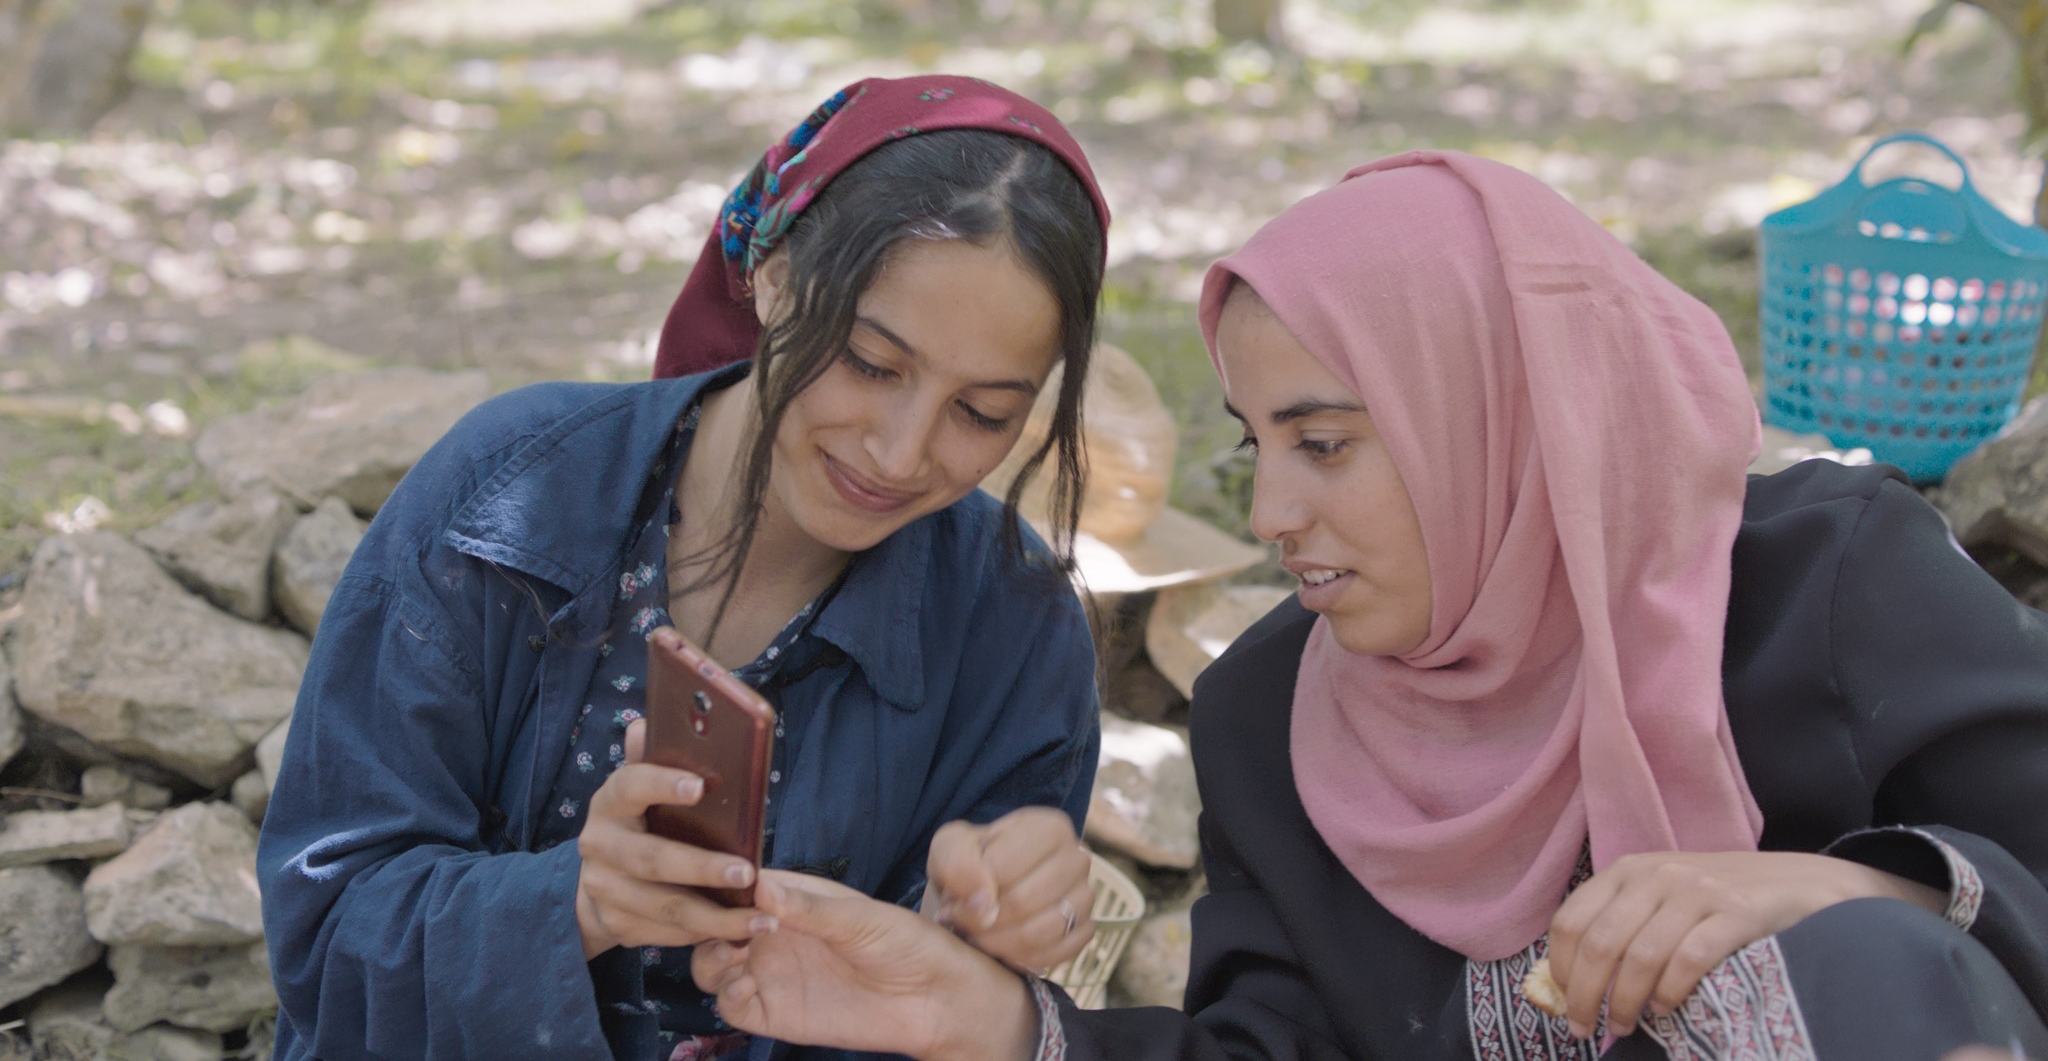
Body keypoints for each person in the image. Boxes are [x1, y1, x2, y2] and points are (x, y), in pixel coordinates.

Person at [679, 151, 2048, 1061]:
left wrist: (1847, 889)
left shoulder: (1827, 584)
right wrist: (992, 1023)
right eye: (1254, 446)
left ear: (1502, 419)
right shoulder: (1274, 712)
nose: (1273, 515)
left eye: (1325, 443)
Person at [256, 76, 1118, 1061]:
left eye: (982, 414)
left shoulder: (1011, 625)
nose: (898, 451)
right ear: (775, 275)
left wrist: (996, 937)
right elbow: (324, 940)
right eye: (870, 363)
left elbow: (973, 1009)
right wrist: (574, 901)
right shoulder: (503, 497)